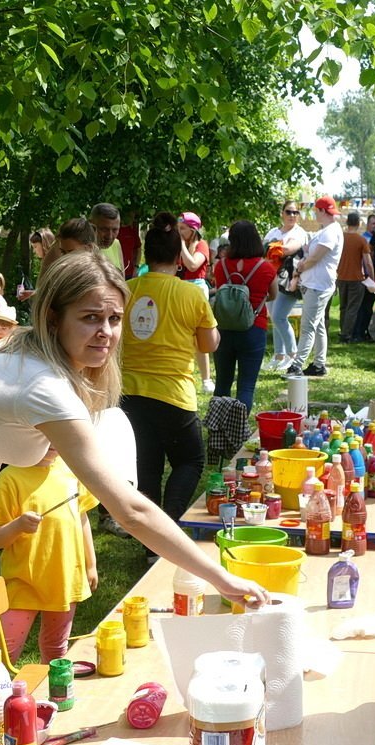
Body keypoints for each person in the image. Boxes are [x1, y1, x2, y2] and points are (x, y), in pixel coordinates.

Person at [0, 249, 265, 745]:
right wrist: (222, 578)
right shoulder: (40, 381)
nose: (105, 331)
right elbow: (129, 510)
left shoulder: (41, 365)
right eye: (89, 317)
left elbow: (24, 450)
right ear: (52, 317)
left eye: (113, 318)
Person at [120, 212, 220, 531]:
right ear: (179, 258)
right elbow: (208, 345)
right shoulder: (191, 294)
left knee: (146, 467)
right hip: (174, 395)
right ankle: (170, 524)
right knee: (190, 461)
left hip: (129, 393)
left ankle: (152, 541)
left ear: (147, 255)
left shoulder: (126, 289)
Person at [0, 447, 97, 663]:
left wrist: (90, 564)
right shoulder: (8, 480)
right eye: (43, 435)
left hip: (63, 581)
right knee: (3, 653)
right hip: (23, 584)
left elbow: (82, 517)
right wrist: (18, 525)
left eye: (55, 435)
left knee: (56, 649)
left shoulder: (71, 470)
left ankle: (54, 694)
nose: (52, 443)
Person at [211, 220, 277, 411]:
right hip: (253, 328)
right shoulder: (265, 268)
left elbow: (219, 289)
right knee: (246, 387)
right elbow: (273, 295)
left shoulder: (221, 265)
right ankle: (237, 430)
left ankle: (218, 429)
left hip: (223, 329)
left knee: (222, 384)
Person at [287, 196, 344, 377]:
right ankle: (319, 364)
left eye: (316, 211)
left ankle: (296, 365)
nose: (314, 214)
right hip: (316, 284)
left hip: (319, 285)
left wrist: (300, 267)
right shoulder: (327, 230)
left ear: (321, 211)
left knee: (308, 326)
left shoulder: (330, 231)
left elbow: (316, 257)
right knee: (317, 325)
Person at [262, 200, 310, 372]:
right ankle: (279, 356)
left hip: (290, 280)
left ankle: (293, 356)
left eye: (295, 212)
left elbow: (289, 249)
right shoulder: (273, 232)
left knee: (279, 317)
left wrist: (273, 248)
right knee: (275, 318)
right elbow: (263, 250)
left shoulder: (300, 232)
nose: (292, 215)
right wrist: (272, 248)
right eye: (289, 212)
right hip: (271, 278)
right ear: (282, 213)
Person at [177, 211, 214, 392]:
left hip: (197, 289)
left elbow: (193, 265)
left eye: (182, 229)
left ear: (193, 230)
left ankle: (206, 379)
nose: (179, 232)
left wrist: (181, 245)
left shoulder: (202, 245)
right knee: (181, 334)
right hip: (181, 287)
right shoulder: (180, 245)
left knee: (199, 336)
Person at [336, 212, 373, 344]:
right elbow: (368, 262)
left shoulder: (340, 237)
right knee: (352, 308)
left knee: (343, 307)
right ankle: (346, 335)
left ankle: (342, 331)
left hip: (340, 276)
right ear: (359, 223)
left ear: (347, 222)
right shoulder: (361, 240)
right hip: (356, 278)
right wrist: (372, 278)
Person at [91, 202, 124, 274]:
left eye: (115, 230)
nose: (110, 236)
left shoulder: (116, 244)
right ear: (91, 224)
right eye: (104, 229)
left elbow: (122, 282)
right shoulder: (78, 246)